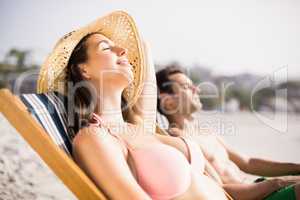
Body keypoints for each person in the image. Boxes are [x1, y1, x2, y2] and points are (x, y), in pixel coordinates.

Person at [37, 11, 232, 200]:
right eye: (105, 48)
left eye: (120, 47)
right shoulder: (94, 138)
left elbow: (143, 47)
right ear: (83, 69)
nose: (123, 51)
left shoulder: (137, 125)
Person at [156, 65, 300, 200]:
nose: (197, 89)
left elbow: (248, 163)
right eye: (187, 86)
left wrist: (295, 168)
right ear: (168, 102)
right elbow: (218, 190)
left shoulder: (203, 130)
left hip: (258, 186)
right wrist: (278, 183)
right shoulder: (179, 140)